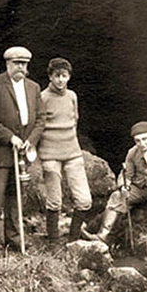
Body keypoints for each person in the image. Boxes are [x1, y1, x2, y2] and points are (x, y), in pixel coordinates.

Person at [0, 46, 45, 251]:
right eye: (17, 63)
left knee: (15, 199)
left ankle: (14, 241)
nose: (21, 67)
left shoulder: (33, 88)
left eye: (24, 64)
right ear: (8, 64)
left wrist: (31, 140)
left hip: (22, 154)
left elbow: (41, 119)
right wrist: (9, 137)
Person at [82, 121, 147, 244]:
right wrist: (124, 186)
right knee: (117, 196)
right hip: (142, 188)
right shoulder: (132, 153)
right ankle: (103, 234)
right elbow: (127, 174)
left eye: (144, 139)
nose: (142, 144)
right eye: (138, 141)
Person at [37, 57, 92, 244]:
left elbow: (75, 120)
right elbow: (37, 125)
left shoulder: (72, 96)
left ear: (69, 77)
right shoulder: (42, 98)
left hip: (72, 152)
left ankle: (73, 241)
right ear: (50, 77)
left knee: (84, 200)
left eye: (64, 76)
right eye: (57, 76)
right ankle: (53, 243)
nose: (61, 80)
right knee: (54, 201)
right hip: (50, 154)